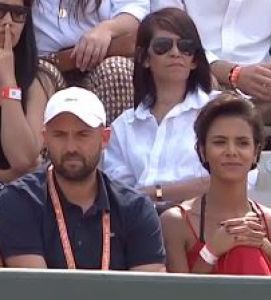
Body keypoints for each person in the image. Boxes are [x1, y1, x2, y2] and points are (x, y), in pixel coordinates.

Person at [0, 86, 166, 271]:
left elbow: (146, 290)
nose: (71, 147)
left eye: (82, 135)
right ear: (45, 138)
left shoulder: (136, 208)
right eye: (60, 135)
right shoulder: (19, 199)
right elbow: (34, 288)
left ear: (105, 137)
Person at [161, 92, 271, 276]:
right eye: (219, 142)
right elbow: (180, 294)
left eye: (242, 143)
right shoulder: (176, 222)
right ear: (202, 151)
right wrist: (211, 252)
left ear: (256, 152)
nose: (231, 151)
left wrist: (265, 247)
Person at [103, 7, 214, 208]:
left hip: (203, 223)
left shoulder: (218, 112)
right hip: (140, 226)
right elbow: (119, 192)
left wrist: (157, 193)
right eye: (163, 46)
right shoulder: (123, 127)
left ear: (194, 59)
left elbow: (237, 179)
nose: (175, 53)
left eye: (185, 47)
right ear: (144, 58)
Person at [151, 1, 271, 134]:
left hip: (264, 83)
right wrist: (234, 74)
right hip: (200, 72)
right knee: (189, 77)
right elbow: (168, 31)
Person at [32, 0, 150, 124]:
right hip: (46, 67)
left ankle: (116, 141)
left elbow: (135, 12)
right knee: (39, 78)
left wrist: (107, 28)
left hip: (101, 65)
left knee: (117, 71)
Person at [0, 0, 54, 182]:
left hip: (18, 198)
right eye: (0, 11)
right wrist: (7, 175)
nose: (8, 21)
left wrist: (8, 80)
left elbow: (23, 159)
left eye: (18, 13)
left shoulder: (40, 76)